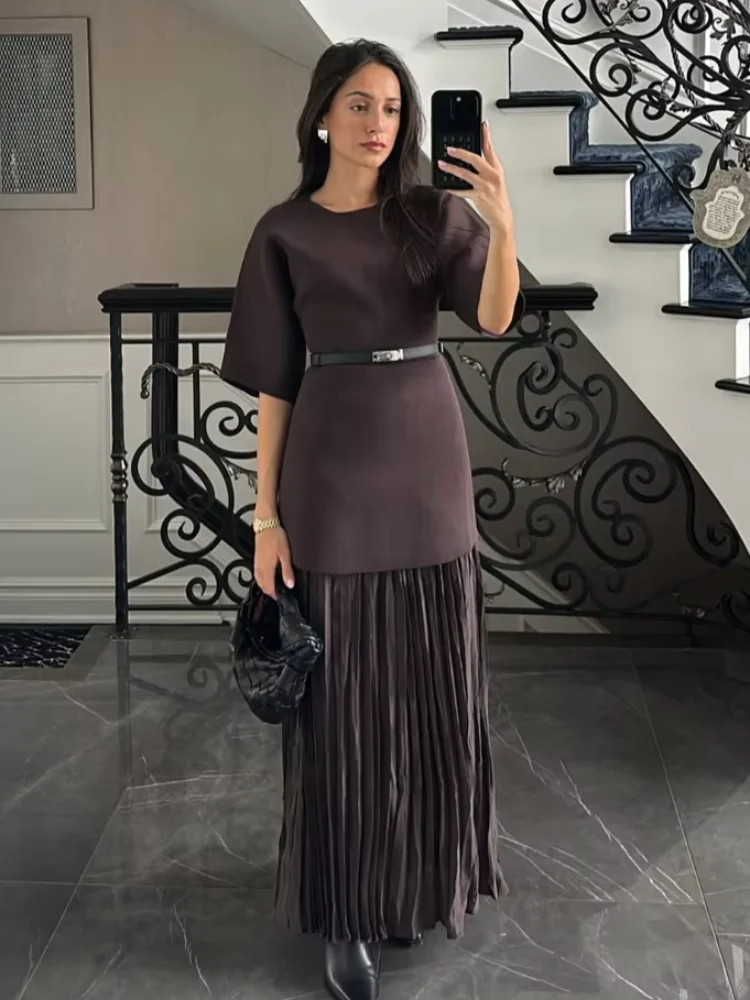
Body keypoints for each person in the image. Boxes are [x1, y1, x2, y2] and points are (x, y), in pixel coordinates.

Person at [221, 37, 523, 1000]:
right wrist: (265, 518)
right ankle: (348, 911)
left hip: (428, 460)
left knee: (433, 686)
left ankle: (420, 886)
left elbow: (494, 317)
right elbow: (274, 383)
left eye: (393, 108)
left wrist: (501, 221)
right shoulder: (283, 230)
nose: (378, 123)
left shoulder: (433, 213)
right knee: (345, 705)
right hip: (331, 466)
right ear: (322, 116)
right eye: (359, 104)